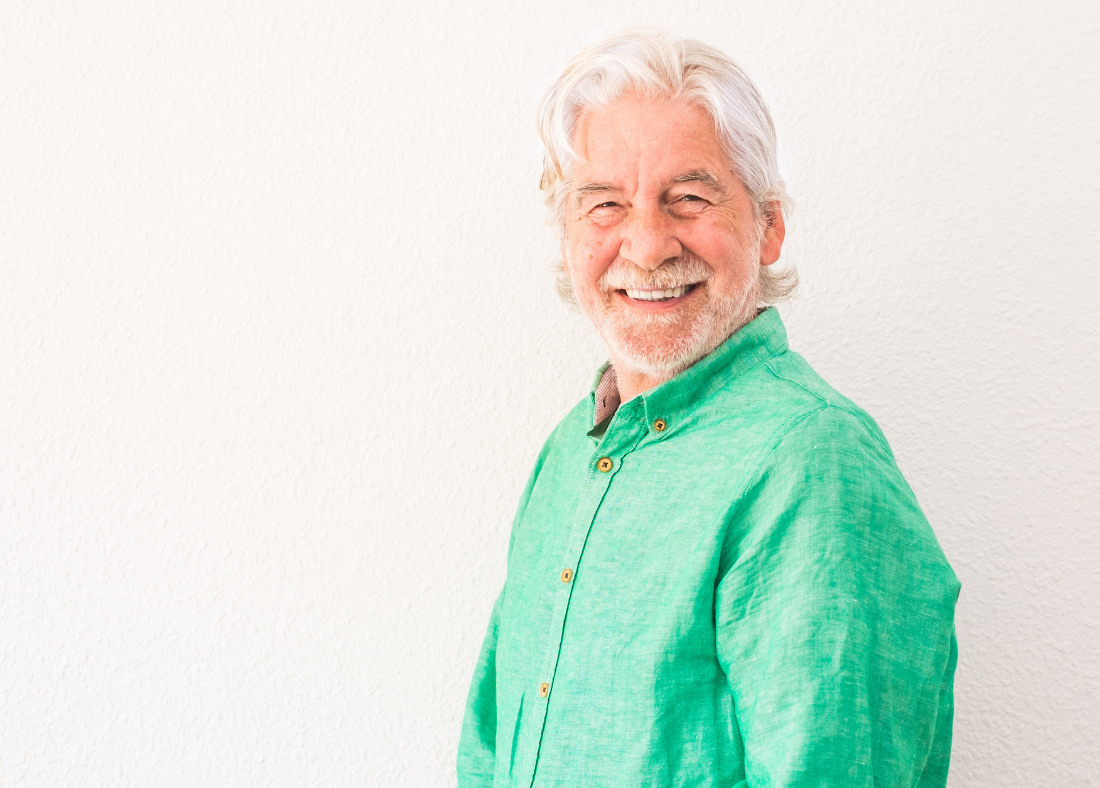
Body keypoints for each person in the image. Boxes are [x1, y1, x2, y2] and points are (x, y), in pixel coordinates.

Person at [457, 29, 959, 788]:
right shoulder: (569, 451)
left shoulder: (812, 461)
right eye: (606, 205)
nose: (649, 245)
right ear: (567, 237)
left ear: (770, 226)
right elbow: (491, 746)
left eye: (688, 199)